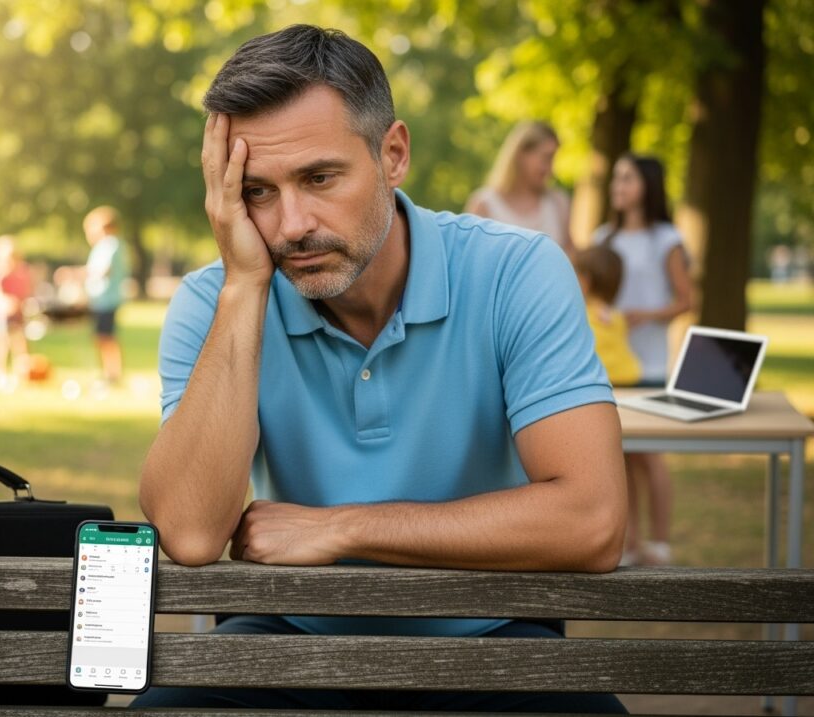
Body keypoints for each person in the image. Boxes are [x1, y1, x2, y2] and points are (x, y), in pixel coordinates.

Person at [136, 25, 627, 713]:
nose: (291, 225)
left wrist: (342, 527)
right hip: (290, 639)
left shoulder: (516, 271)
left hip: (492, 640)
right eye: (257, 191)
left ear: (392, 154)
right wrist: (245, 288)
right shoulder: (215, 303)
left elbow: (593, 520)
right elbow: (190, 533)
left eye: (319, 178)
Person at [592, 153, 692, 567]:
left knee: (651, 456)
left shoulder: (666, 239)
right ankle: (632, 542)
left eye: (628, 178)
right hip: (610, 367)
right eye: (616, 177)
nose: (618, 185)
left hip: (648, 366)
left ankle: (661, 542)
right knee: (624, 457)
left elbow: (686, 300)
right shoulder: (603, 238)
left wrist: (644, 316)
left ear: (648, 185)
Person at [464, 121, 573, 252]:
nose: (550, 169)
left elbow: (570, 256)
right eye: (546, 158)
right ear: (521, 154)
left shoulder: (558, 203)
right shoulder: (485, 204)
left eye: (553, 159)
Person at [56, 206, 130, 385]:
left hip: (107, 300)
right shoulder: (106, 246)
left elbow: (102, 270)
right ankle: (108, 373)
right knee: (101, 337)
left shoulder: (110, 244)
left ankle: (113, 374)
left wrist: (73, 274)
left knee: (106, 337)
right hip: (100, 300)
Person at [573, 246, 641, 387]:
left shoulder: (580, 314)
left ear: (585, 280)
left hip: (601, 381)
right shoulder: (615, 315)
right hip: (628, 376)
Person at [0, 235, 32, 390]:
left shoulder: (22, 272)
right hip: (1, 316)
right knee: (1, 344)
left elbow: (26, 291)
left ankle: (21, 374)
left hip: (18, 315)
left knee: (20, 345)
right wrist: (3, 303)